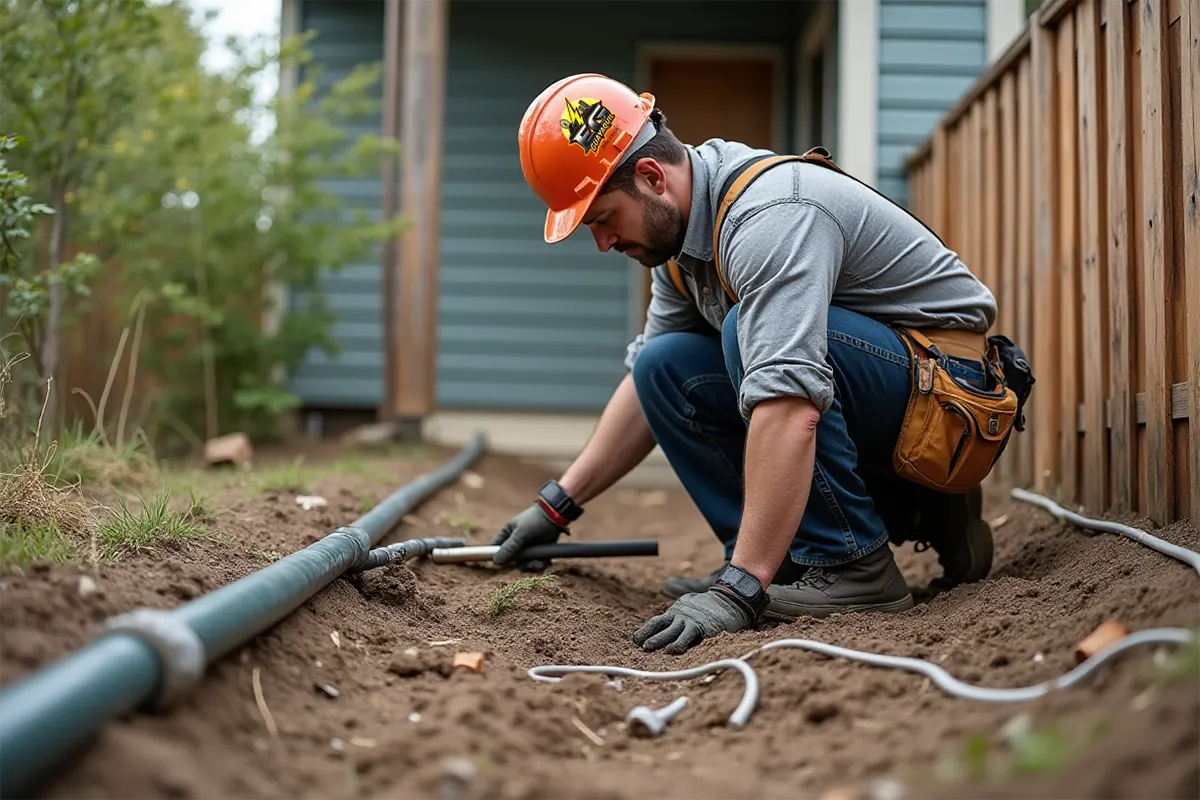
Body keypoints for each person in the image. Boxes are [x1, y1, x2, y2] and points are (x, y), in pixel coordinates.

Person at [491, 72, 1026, 657]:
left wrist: (739, 590)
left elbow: (790, 403)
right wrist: (556, 505)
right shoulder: (679, 254)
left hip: (950, 398)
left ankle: (852, 568)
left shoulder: (770, 217)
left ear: (651, 178)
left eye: (603, 218)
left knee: (751, 335)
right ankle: (796, 564)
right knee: (664, 364)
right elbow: (650, 387)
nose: (601, 242)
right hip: (890, 388)